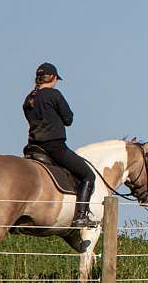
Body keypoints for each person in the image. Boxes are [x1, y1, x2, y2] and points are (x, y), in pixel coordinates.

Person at [22, 63, 97, 228]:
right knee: (88, 176)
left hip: (33, 148)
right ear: (54, 78)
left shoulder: (29, 98)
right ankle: (81, 216)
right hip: (54, 148)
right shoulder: (54, 95)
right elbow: (69, 119)